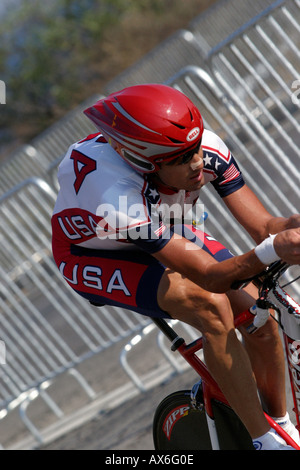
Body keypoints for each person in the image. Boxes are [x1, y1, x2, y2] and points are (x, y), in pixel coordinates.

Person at [51, 84, 300, 450]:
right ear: (143, 161)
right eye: (182, 158)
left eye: (196, 150)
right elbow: (210, 277)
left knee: (260, 316)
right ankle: (264, 442)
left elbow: (264, 227)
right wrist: (273, 249)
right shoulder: (113, 193)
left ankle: (280, 428)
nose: (198, 162)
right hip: (93, 254)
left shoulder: (201, 146)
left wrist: (290, 229)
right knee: (211, 306)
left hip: (161, 223)